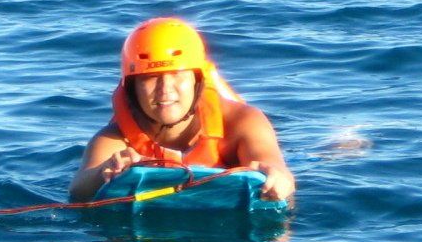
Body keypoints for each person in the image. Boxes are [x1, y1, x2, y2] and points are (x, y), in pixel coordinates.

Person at [69, 17, 296, 204]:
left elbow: (273, 165)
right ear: (131, 88)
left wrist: (279, 179)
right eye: (150, 78)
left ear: (198, 81)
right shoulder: (116, 138)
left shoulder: (243, 122)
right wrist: (106, 171)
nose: (165, 90)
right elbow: (78, 190)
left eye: (177, 75)